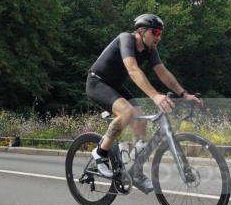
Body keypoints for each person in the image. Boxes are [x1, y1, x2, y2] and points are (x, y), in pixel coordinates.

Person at [86, 14, 200, 193]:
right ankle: (100, 153)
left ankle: (136, 171)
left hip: (116, 86)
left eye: (160, 33)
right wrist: (155, 96)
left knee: (140, 120)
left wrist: (184, 94)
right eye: (155, 32)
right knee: (127, 112)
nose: (158, 37)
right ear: (141, 31)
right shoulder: (126, 39)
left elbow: (163, 73)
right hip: (97, 83)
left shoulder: (150, 49)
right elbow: (133, 70)